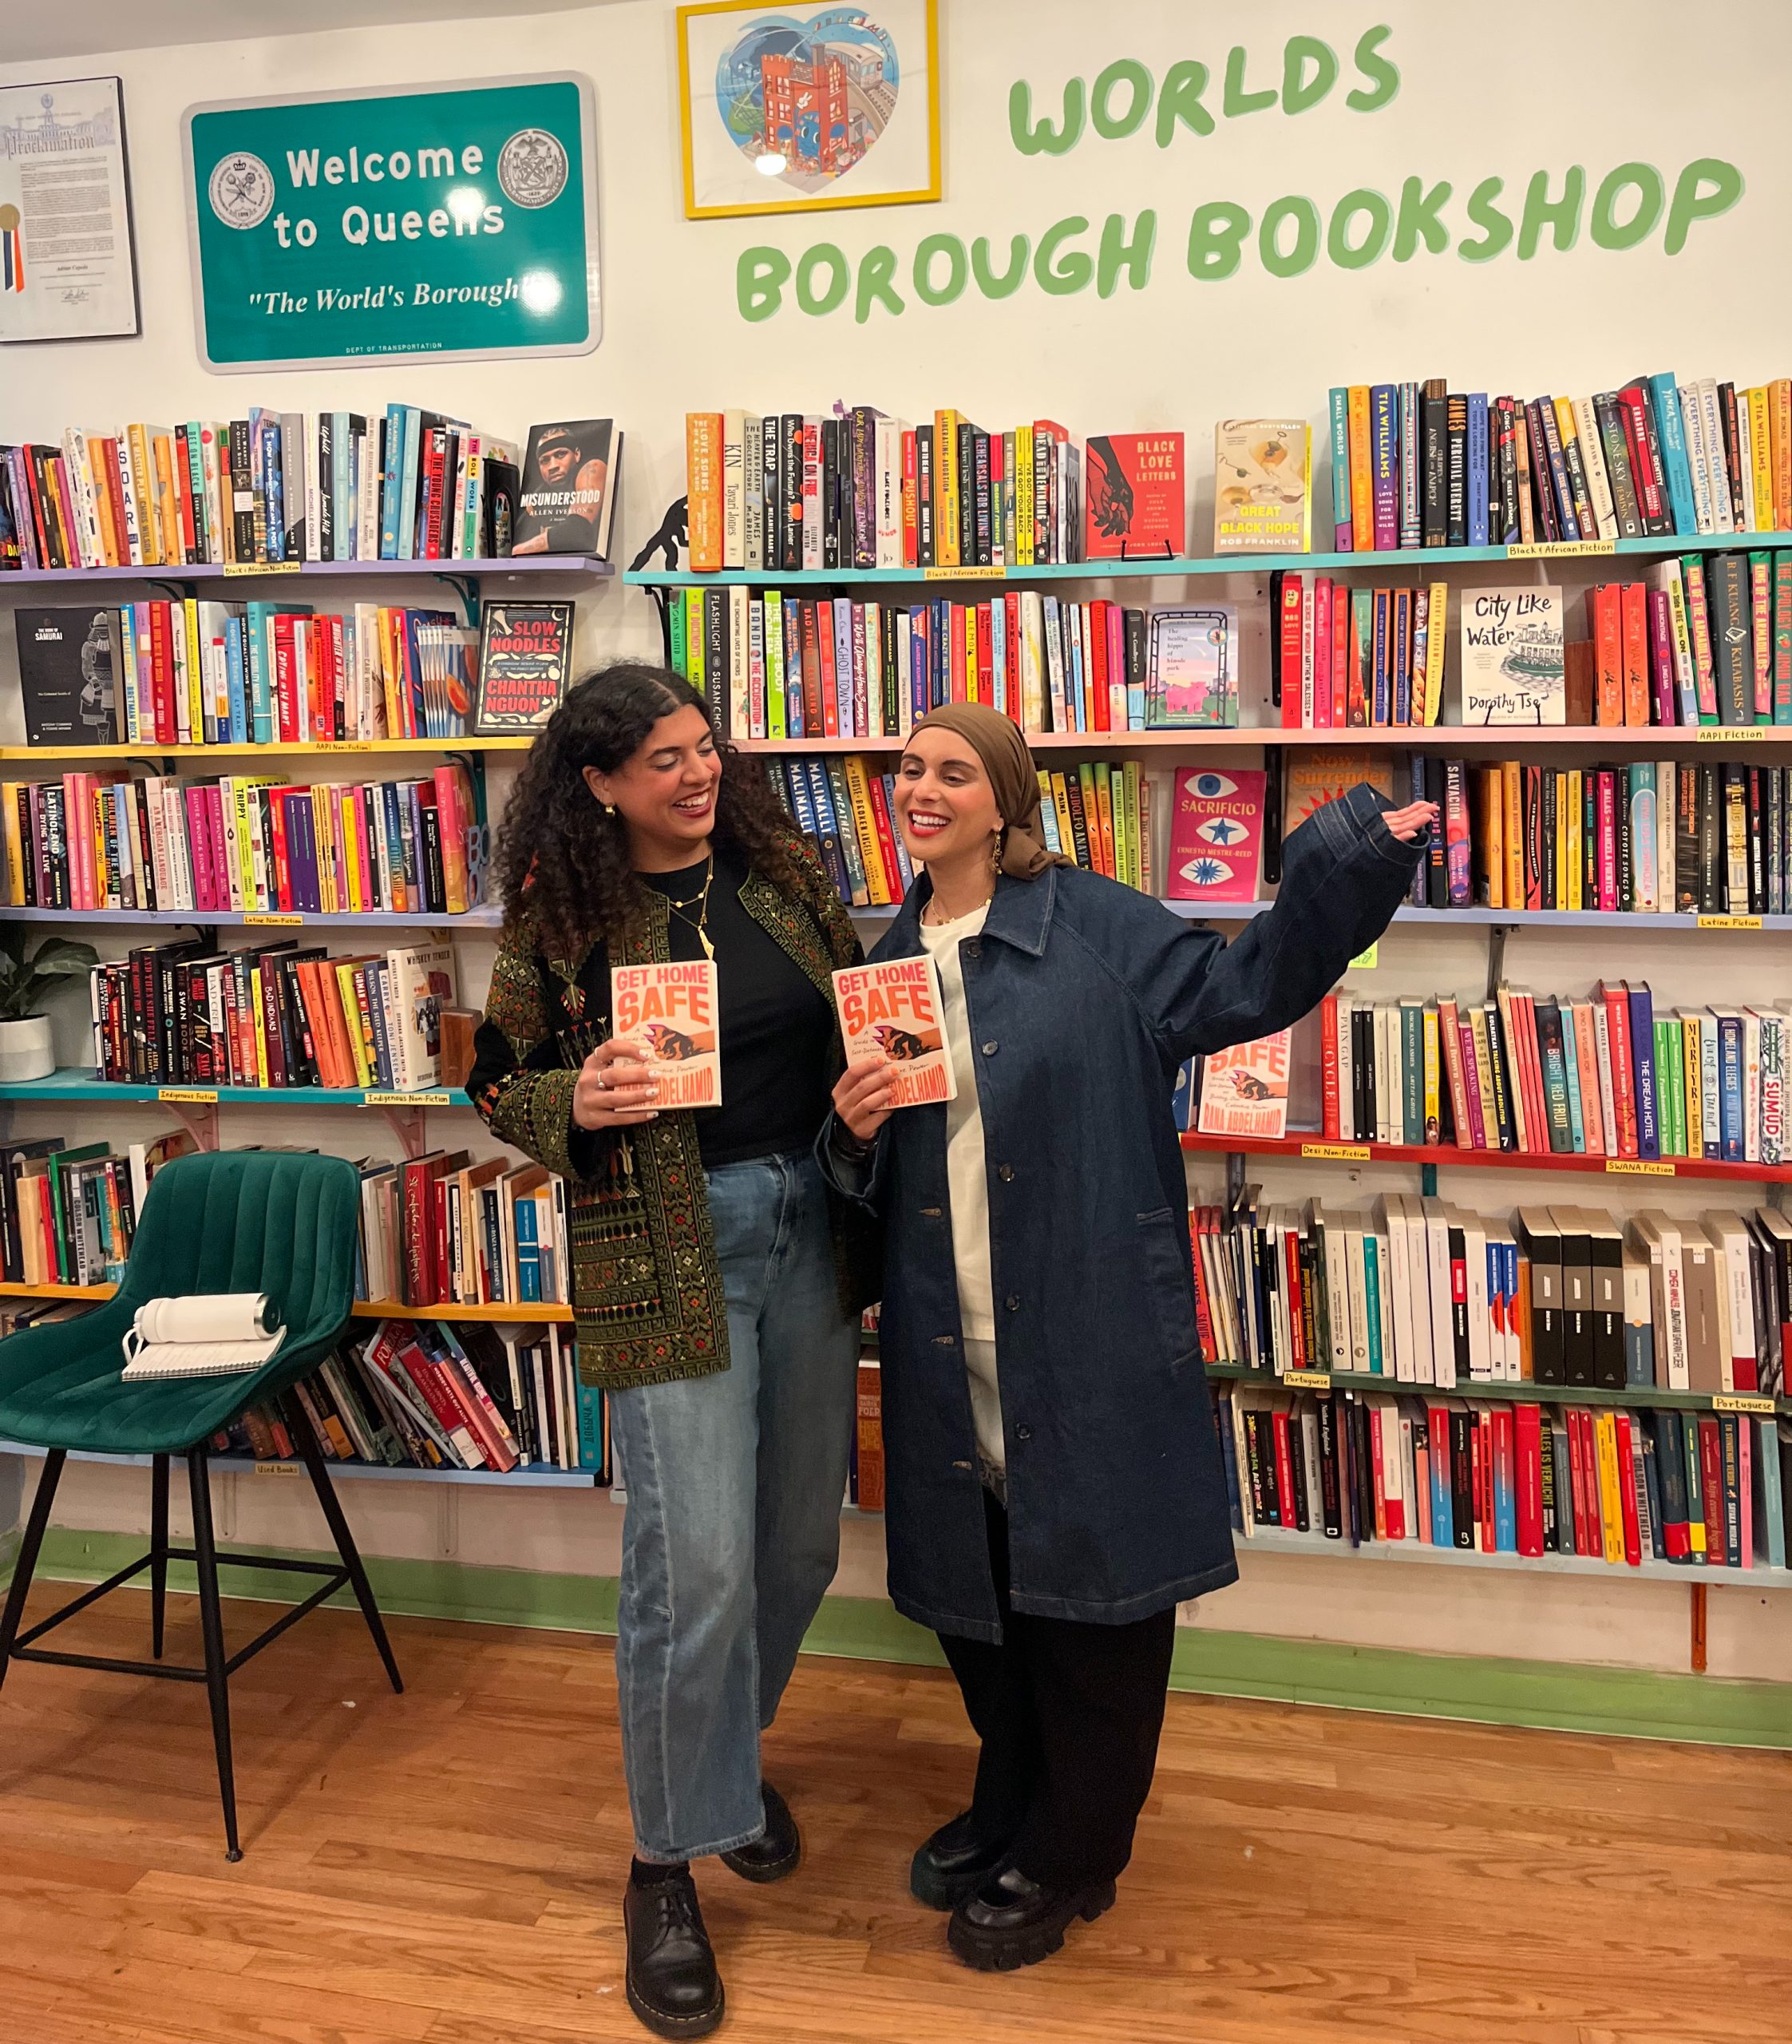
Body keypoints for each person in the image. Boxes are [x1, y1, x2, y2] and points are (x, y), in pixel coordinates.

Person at [824, 703, 1434, 1973]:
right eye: (908, 770)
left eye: (952, 772)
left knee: (1095, 1608)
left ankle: (1073, 1851)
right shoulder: (884, 959)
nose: (921, 790)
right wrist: (852, 1131)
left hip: (1078, 1324)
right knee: (980, 1601)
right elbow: (877, 1177)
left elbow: (1248, 984)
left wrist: (1353, 855)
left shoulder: (1095, 927)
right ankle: (1012, 1799)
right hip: (944, 1334)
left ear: (1004, 799)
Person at [467, 662, 876, 2038]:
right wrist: (569, 1101)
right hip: (664, 1244)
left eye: (705, 749)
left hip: (812, 1223)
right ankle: (664, 1862)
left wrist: (880, 1079)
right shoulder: (563, 919)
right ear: (597, 785)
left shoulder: (787, 875)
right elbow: (492, 1077)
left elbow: (866, 1011)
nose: (698, 774)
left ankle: (718, 1771)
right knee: (690, 1566)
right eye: (663, 760)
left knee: (794, 1547)